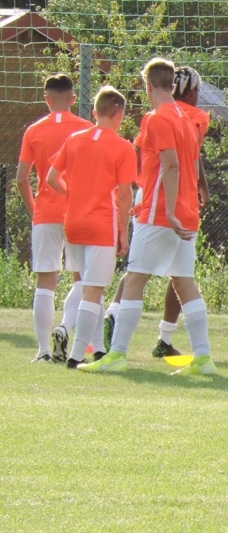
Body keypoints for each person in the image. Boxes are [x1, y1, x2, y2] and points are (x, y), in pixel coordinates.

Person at [79, 57, 215, 376]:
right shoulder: (187, 119)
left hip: (161, 213)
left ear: (149, 86)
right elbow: (188, 165)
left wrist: (167, 210)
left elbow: (171, 165)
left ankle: (117, 354)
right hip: (187, 212)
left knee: (135, 278)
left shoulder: (157, 118)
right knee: (184, 281)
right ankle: (203, 358)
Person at [46, 86, 136, 368]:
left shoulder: (74, 139)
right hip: (101, 225)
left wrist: (73, 196)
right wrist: (123, 232)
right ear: (119, 114)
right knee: (93, 290)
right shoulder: (123, 147)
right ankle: (75, 356)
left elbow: (51, 177)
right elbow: (125, 194)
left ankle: (97, 348)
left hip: (73, 223)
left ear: (95, 112)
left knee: (87, 285)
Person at [16, 73, 92, 362]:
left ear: (46, 99)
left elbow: (22, 178)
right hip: (78, 212)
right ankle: (66, 328)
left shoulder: (34, 131)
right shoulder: (85, 129)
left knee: (45, 281)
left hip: (45, 213)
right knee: (82, 278)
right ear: (73, 99)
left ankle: (43, 351)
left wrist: (35, 210)